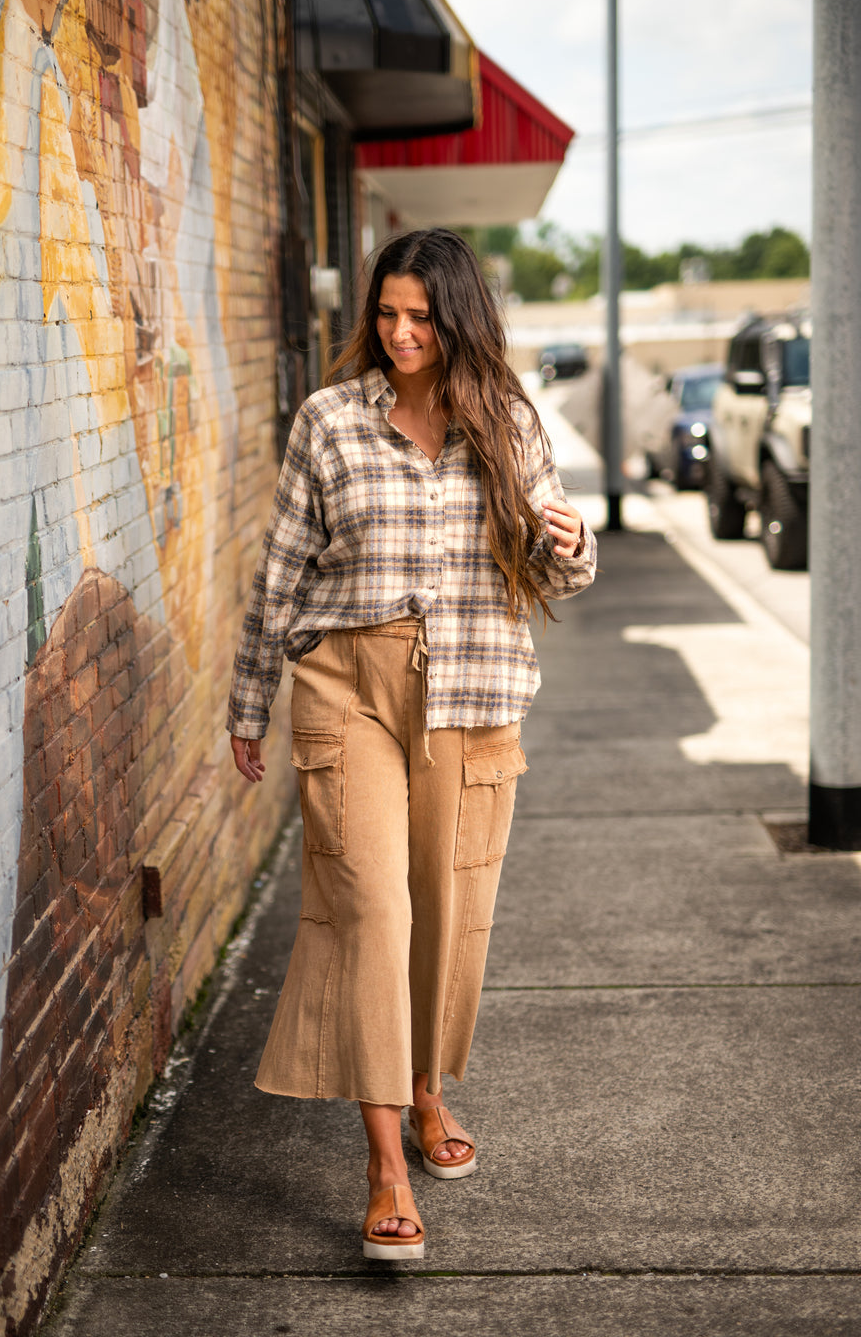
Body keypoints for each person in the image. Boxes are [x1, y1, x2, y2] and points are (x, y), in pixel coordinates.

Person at [227, 228, 596, 1260]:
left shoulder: (508, 423)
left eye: (420, 318)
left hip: (473, 691)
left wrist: (572, 544)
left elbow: (553, 566)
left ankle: (430, 1090)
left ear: (458, 320)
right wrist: (248, 700)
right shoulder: (330, 421)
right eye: (385, 315)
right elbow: (280, 569)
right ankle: (387, 1164)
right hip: (348, 684)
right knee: (374, 912)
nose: (398, 334)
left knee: (448, 915)